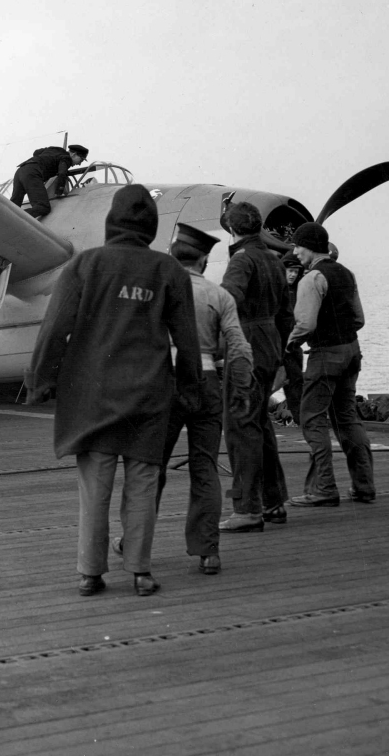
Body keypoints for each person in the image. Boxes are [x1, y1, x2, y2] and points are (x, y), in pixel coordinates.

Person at [25, 184, 201, 598]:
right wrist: (191, 390)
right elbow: (188, 341)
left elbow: (55, 328)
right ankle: (140, 571)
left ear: (111, 220)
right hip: (148, 396)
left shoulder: (85, 265)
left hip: (92, 397)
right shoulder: (169, 271)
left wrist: (40, 381)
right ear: (151, 225)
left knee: (95, 488)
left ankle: (90, 573)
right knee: (143, 484)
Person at [155, 223, 254, 575]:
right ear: (204, 260)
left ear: (172, 256)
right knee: (204, 466)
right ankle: (207, 551)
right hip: (208, 380)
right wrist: (241, 389)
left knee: (151, 466)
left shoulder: (159, 290)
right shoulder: (219, 295)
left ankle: (135, 542)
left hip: (166, 382)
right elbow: (239, 347)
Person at [286, 222, 375, 507]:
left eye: (297, 246)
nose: (295, 252)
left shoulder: (311, 278)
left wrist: (289, 344)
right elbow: (359, 319)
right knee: (347, 417)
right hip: (352, 351)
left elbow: (305, 324)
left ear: (310, 247)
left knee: (312, 418)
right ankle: (364, 486)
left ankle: (323, 488)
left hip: (325, 355)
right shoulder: (347, 273)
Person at [219, 201, 292, 531]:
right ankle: (273, 502)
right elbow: (286, 315)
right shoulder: (273, 260)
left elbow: (226, 301)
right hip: (270, 344)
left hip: (246, 346)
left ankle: (247, 508)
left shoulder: (241, 260)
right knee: (259, 423)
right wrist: (280, 356)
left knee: (240, 426)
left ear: (233, 229)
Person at [9, 144, 89, 218]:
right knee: (43, 207)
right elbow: (62, 173)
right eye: (81, 160)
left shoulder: (55, 150)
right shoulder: (66, 158)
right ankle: (16, 218)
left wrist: (47, 160)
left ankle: (7, 219)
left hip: (21, 170)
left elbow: (36, 152)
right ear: (74, 154)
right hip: (33, 173)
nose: (79, 164)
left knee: (13, 205)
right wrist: (59, 192)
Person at [280, 253, 305, 424]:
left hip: (293, 344)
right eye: (290, 271)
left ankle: (299, 417)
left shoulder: (298, 291)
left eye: (295, 272)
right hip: (279, 344)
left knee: (295, 381)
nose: (293, 275)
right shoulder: (276, 291)